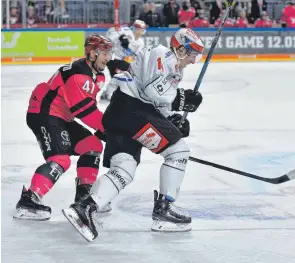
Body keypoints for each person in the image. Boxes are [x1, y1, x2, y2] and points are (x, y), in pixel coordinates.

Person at [62, 28, 205, 242]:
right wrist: (182, 99)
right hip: (133, 111)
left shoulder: (173, 67)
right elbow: (153, 91)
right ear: (182, 49)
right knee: (178, 152)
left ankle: (85, 208)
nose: (194, 60)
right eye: (193, 54)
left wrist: (173, 119)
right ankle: (164, 209)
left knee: (124, 168)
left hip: (121, 115)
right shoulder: (161, 54)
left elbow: (159, 101)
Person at [13, 34, 117, 221]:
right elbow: (84, 111)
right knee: (60, 159)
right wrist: (111, 130)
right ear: (92, 53)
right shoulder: (79, 73)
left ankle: (83, 197)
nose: (108, 58)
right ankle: (28, 200)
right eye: (105, 53)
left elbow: (89, 107)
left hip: (62, 115)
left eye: (109, 53)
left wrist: (105, 130)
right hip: (43, 113)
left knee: (92, 145)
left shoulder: (98, 76)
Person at [100, 20, 147, 100]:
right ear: (134, 28)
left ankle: (106, 93)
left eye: (142, 30)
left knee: (117, 77)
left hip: (119, 60)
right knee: (126, 72)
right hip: (111, 57)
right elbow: (110, 33)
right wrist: (120, 37)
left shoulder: (140, 43)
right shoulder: (127, 32)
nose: (140, 32)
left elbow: (135, 55)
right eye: (138, 29)